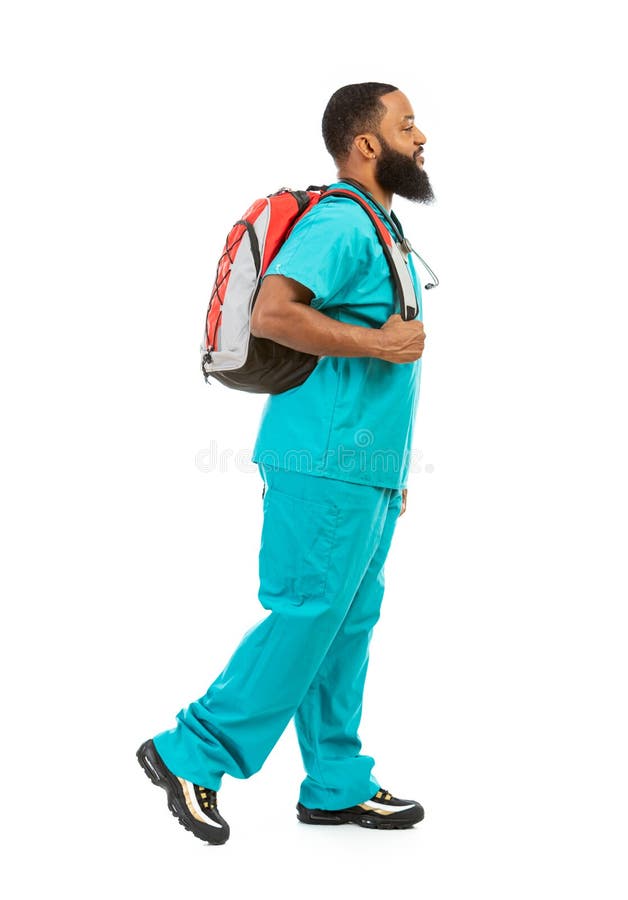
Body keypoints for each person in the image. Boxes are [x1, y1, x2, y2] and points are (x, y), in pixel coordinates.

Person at [137, 82, 436, 845]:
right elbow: (273, 311)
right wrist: (376, 343)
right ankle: (192, 749)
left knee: (345, 624)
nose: (422, 136)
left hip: (363, 464)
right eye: (407, 125)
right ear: (366, 145)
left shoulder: (381, 225)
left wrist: (391, 475)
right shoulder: (341, 221)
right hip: (322, 458)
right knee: (308, 612)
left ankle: (335, 782)